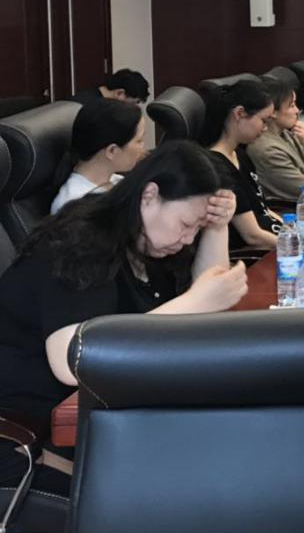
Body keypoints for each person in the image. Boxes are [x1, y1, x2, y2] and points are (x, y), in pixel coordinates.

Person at [0, 141, 247, 490]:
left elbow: (209, 299)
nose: (187, 238)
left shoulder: (152, 241)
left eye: (197, 229)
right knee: (201, 477)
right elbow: (74, 359)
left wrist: (216, 228)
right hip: (32, 430)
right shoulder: (82, 239)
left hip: (107, 408)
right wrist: (194, 302)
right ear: (150, 195)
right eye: (186, 224)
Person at [199, 80, 282, 250]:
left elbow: (263, 209)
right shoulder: (217, 167)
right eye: (264, 120)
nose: (265, 128)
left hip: (275, 241)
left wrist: (292, 231)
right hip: (258, 253)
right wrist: (295, 246)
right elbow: (252, 235)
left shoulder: (240, 154)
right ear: (239, 113)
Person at [247, 78, 304, 213]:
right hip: (302, 212)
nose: (297, 110)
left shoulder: (288, 133)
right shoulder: (266, 149)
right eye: (292, 106)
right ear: (272, 112)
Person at [51, 98, 147, 213]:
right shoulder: (74, 205)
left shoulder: (116, 181)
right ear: (112, 151)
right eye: (139, 141)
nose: (143, 147)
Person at [69, 68, 150, 107]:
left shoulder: (93, 96)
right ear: (120, 93)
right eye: (134, 103)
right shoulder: (91, 108)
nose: (134, 108)